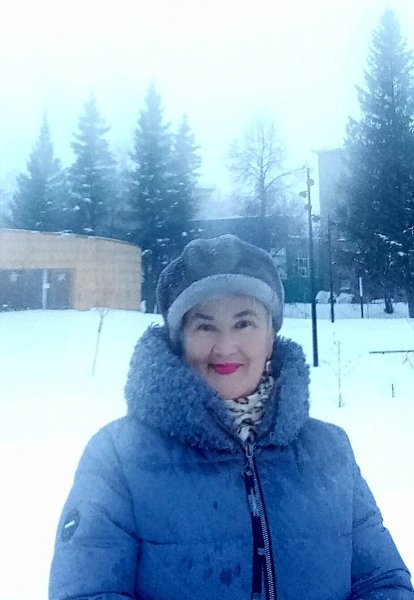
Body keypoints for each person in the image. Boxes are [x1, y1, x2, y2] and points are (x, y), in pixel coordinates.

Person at [49, 234, 413, 600]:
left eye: (244, 323)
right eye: (205, 326)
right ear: (179, 339)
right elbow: (86, 591)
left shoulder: (330, 450)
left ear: (271, 334)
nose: (225, 347)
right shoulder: (117, 457)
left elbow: (383, 582)